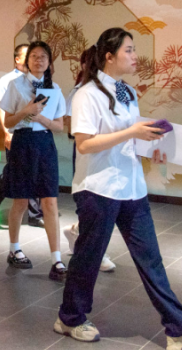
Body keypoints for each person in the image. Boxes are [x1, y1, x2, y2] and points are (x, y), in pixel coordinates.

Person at [55, 28, 182, 348]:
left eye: (134, 49)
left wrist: (154, 145)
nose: (134, 56)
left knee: (150, 260)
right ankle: (70, 318)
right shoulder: (87, 94)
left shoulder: (128, 91)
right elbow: (84, 144)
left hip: (131, 188)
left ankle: (179, 329)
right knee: (88, 258)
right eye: (128, 50)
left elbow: (131, 134)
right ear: (109, 56)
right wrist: (131, 132)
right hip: (98, 189)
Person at [0, 41, 67, 281]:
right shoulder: (15, 85)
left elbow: (60, 126)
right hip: (23, 142)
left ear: (49, 62)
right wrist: (26, 111)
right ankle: (14, 249)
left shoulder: (55, 88)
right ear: (27, 61)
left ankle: (57, 259)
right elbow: (8, 122)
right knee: (21, 200)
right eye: (34, 56)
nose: (39, 60)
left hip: (45, 143)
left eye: (43, 57)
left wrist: (42, 119)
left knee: (50, 200)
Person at [63, 47, 116, 273]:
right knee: (93, 204)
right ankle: (95, 253)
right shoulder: (80, 92)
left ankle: (76, 232)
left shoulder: (117, 90)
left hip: (110, 156)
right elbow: (70, 127)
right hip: (89, 154)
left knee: (103, 206)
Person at [0, 44, 44, 226]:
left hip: (35, 135)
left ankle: (35, 214)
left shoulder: (38, 80)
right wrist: (7, 133)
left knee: (35, 170)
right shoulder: (8, 80)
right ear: (17, 59)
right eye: (28, 55)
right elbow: (2, 109)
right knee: (14, 172)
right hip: (16, 132)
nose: (32, 59)